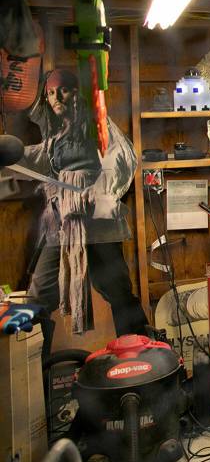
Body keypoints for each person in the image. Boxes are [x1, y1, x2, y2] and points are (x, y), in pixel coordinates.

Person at [1, 69, 147, 348]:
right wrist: (11, 156)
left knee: (117, 291)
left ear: (77, 93)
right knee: (39, 293)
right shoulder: (57, 135)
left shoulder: (98, 125)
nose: (56, 97)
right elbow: (39, 157)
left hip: (98, 223)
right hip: (63, 222)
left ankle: (141, 352)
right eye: (50, 93)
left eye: (63, 90)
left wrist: (100, 190)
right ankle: (32, 363)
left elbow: (120, 157)